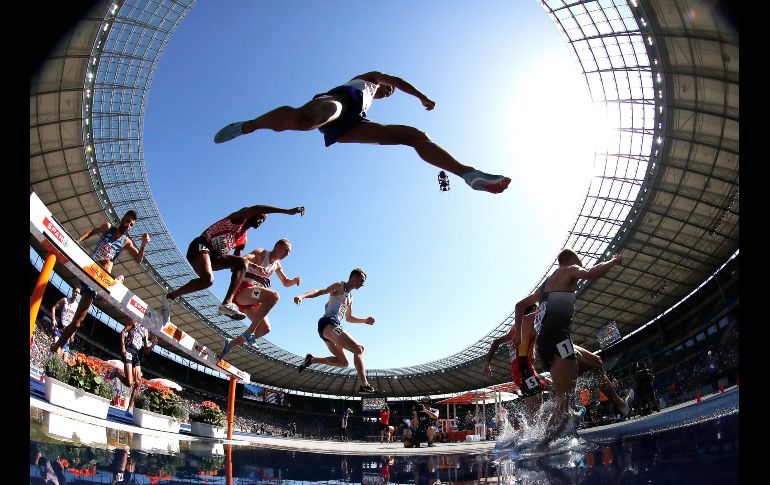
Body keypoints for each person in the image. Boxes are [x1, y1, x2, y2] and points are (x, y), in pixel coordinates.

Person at [213, 71, 511, 194]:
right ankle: (246, 126)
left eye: (389, 93)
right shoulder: (367, 79)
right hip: (341, 101)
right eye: (387, 90)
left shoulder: (372, 100)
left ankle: (468, 174)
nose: (388, 91)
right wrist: (421, 97)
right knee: (308, 120)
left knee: (414, 135)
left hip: (356, 121)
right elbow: (397, 79)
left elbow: (384, 97)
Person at [514, 248, 624, 449]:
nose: (579, 266)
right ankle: (540, 448)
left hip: (549, 342)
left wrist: (519, 338)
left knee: (595, 362)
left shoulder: (546, 285)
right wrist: (614, 261)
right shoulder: (568, 269)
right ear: (570, 260)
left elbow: (519, 306)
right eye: (578, 262)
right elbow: (591, 273)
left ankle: (620, 404)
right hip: (558, 340)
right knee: (565, 404)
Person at [161, 204, 305, 322]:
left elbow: (239, 266)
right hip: (200, 246)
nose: (261, 221)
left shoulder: (243, 240)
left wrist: (254, 277)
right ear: (253, 213)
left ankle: (226, 304)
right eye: (261, 217)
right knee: (208, 280)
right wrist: (287, 212)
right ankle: (172, 296)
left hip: (215, 257)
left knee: (240, 263)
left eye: (264, 220)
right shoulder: (239, 218)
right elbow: (256, 208)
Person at [50, 210, 151, 353]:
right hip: (90, 267)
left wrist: (143, 245)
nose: (129, 225)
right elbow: (92, 231)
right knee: (109, 263)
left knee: (77, 323)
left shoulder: (126, 242)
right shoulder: (108, 227)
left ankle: (56, 346)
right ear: (122, 219)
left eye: (132, 224)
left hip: (98, 281)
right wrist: (78, 240)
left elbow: (138, 259)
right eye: (128, 221)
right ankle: (108, 291)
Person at [294, 268, 379, 395]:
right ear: (353, 277)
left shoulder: (350, 297)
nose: (363, 284)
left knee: (344, 363)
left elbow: (349, 318)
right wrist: (302, 296)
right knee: (358, 349)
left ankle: (311, 360)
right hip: (328, 323)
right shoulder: (339, 286)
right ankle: (364, 385)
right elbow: (319, 291)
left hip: (333, 328)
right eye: (361, 280)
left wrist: (364, 321)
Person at [219, 238, 301, 359]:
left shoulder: (277, 265)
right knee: (274, 296)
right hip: (242, 290)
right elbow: (239, 264)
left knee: (265, 329)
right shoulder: (261, 253)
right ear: (277, 246)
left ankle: (230, 344)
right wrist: (255, 276)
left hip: (252, 297)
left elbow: (285, 282)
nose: (286, 254)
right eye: (285, 250)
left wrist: (294, 281)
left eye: (289, 253)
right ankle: (249, 333)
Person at [483, 303, 545, 418]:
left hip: (519, 373)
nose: (537, 311)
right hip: (524, 369)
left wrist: (487, 362)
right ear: (532, 309)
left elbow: (496, 342)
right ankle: (537, 431)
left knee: (546, 385)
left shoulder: (513, 329)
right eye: (535, 308)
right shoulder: (527, 321)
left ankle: (564, 410)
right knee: (537, 408)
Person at [108, 319, 157, 417]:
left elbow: (146, 350)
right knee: (129, 383)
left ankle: (129, 408)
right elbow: (123, 332)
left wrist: (153, 344)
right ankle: (117, 373)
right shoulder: (135, 322)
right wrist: (123, 348)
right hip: (129, 350)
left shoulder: (146, 331)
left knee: (139, 382)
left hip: (136, 355)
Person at [50, 286, 81, 359]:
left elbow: (76, 322)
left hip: (68, 331)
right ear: (72, 291)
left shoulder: (77, 306)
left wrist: (72, 334)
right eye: (75, 292)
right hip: (60, 327)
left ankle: (52, 358)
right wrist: (53, 319)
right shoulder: (65, 300)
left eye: (78, 293)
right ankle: (52, 351)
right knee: (57, 348)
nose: (76, 294)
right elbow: (54, 308)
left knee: (61, 355)